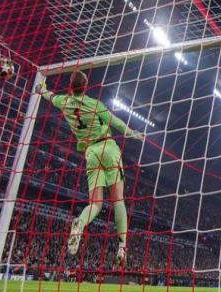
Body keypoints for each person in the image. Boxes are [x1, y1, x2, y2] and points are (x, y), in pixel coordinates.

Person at [36, 71, 144, 266]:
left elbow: (49, 96)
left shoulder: (64, 102)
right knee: (118, 200)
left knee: (95, 203)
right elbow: (114, 121)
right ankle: (122, 246)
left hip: (91, 153)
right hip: (107, 147)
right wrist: (131, 133)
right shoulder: (94, 104)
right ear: (85, 86)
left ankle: (80, 223)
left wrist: (41, 89)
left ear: (71, 86)